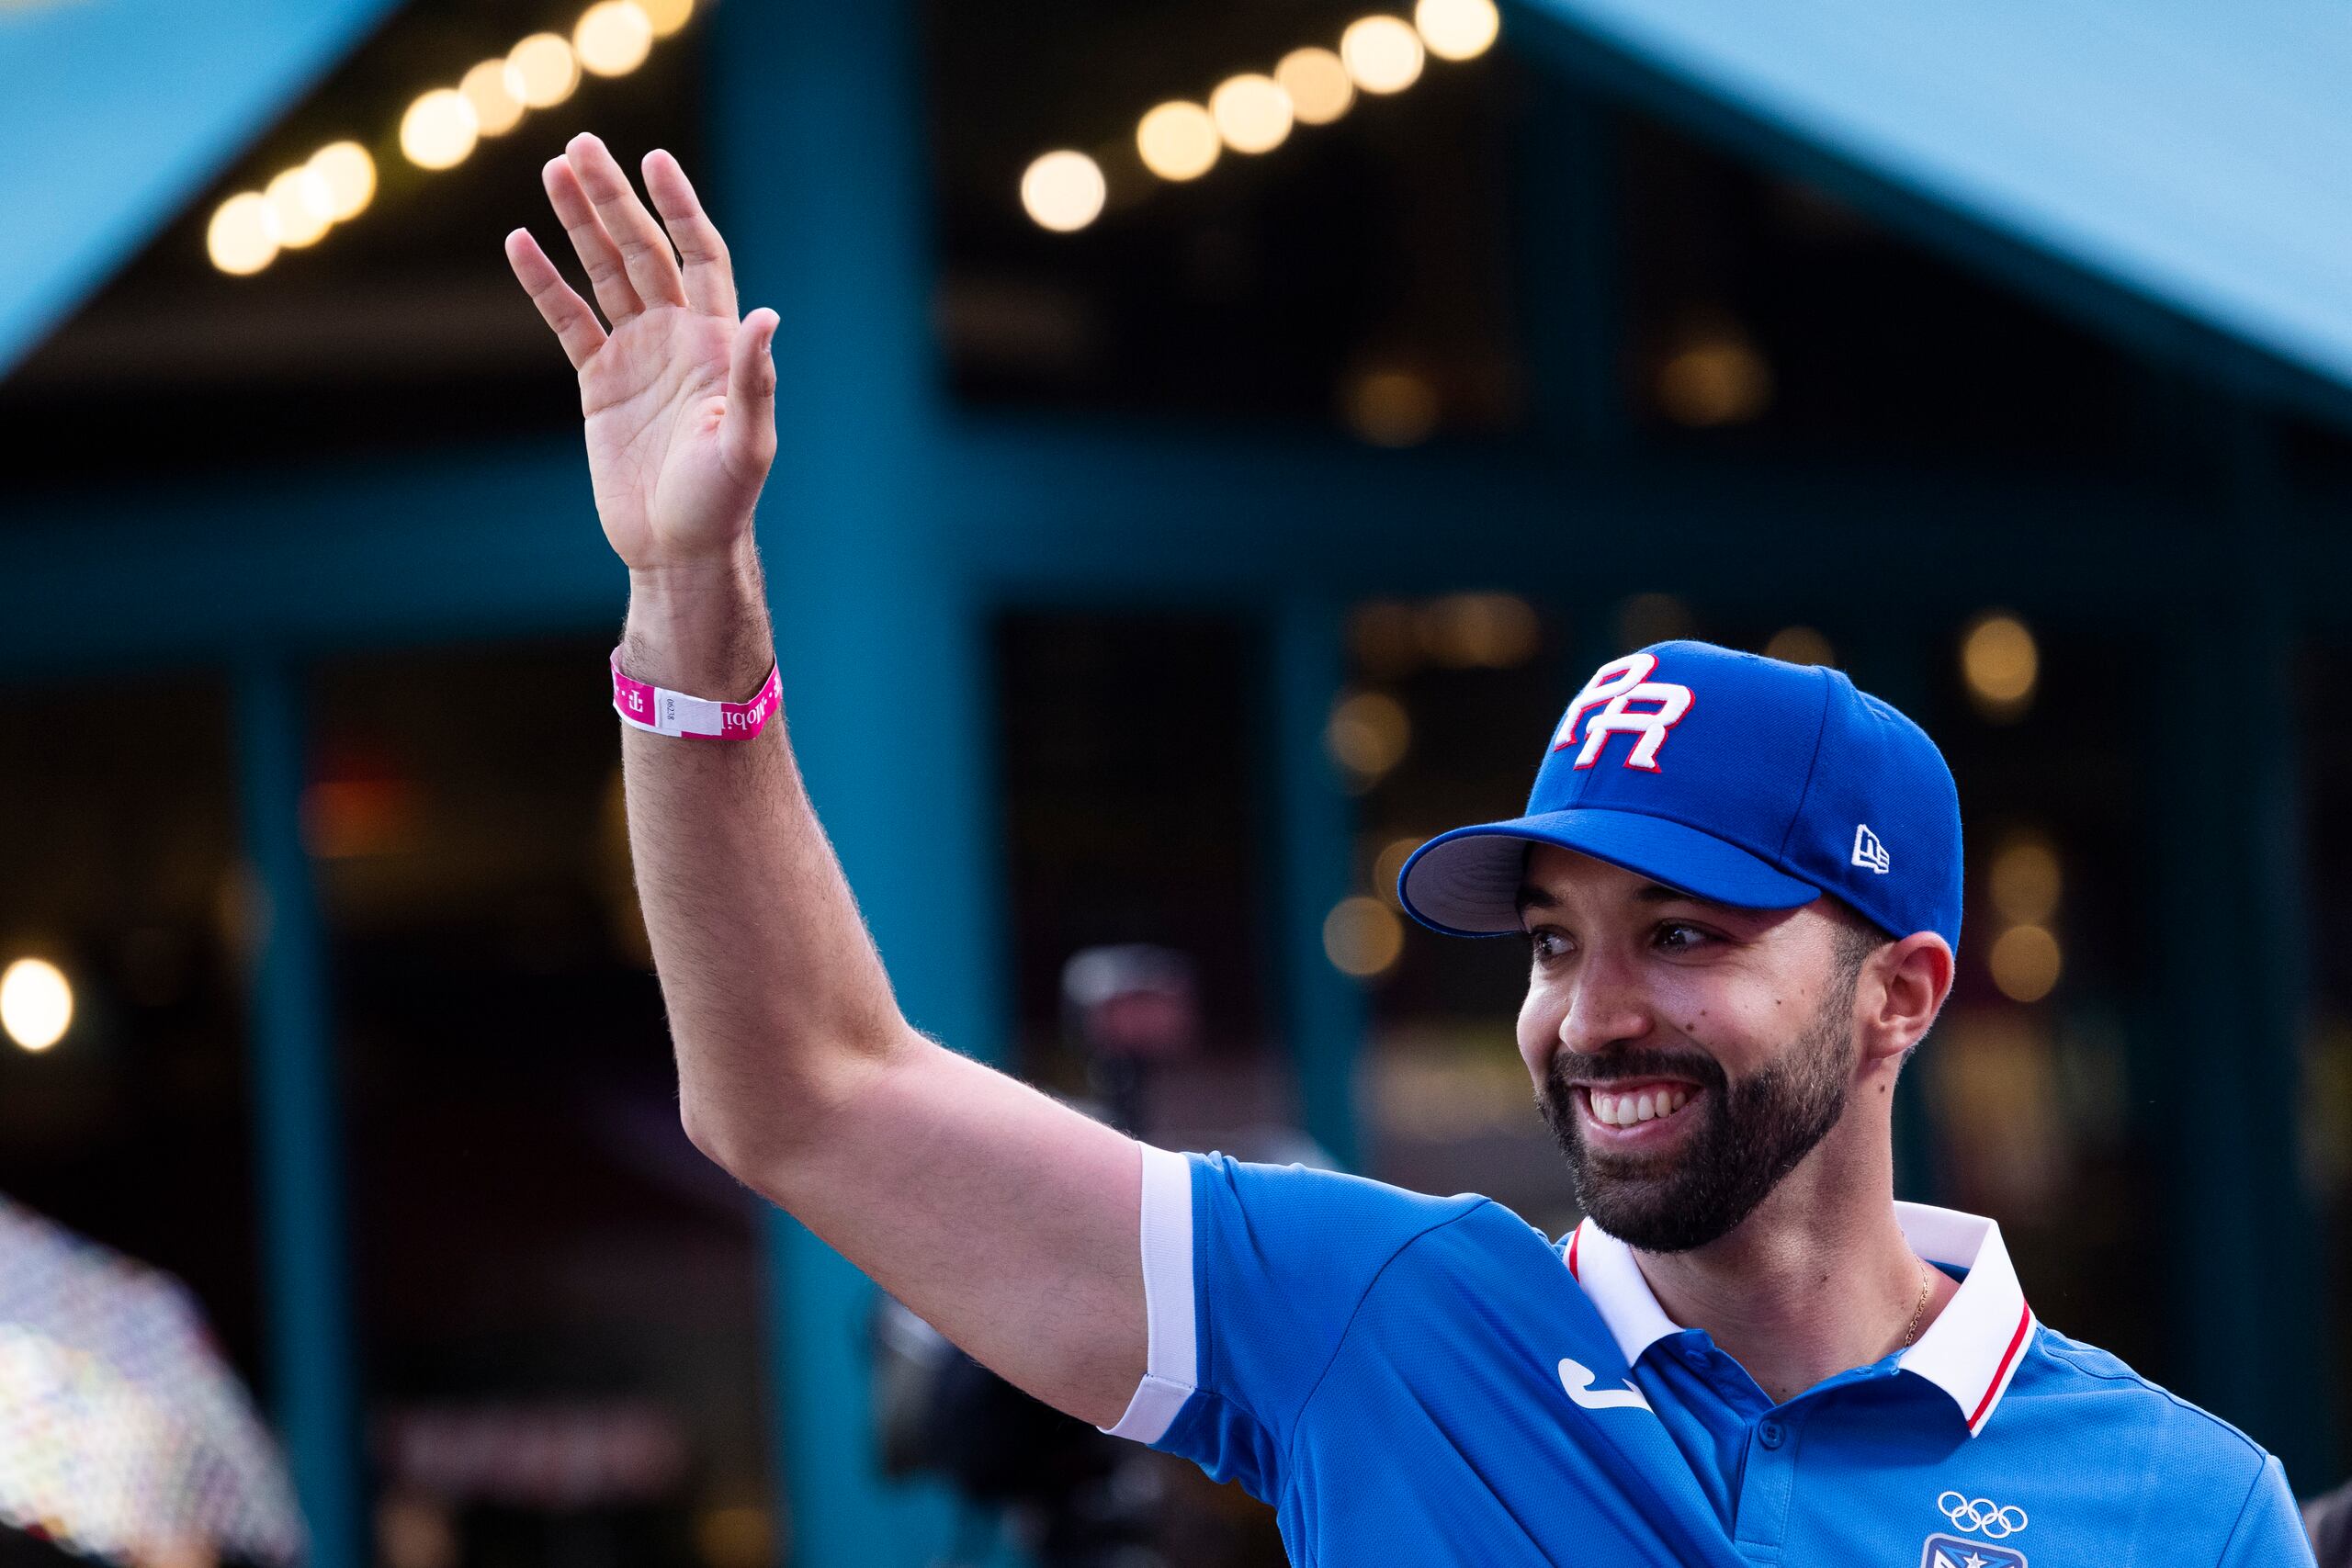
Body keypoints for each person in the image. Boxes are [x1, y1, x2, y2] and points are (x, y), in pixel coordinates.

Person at [503, 134, 2317, 1565]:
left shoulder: (2185, 1506)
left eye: (1682, 931)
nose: (1590, 1011)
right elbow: (803, 1092)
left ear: (1900, 992)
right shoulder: (1382, 1314)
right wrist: (687, 599)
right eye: (1550, 939)